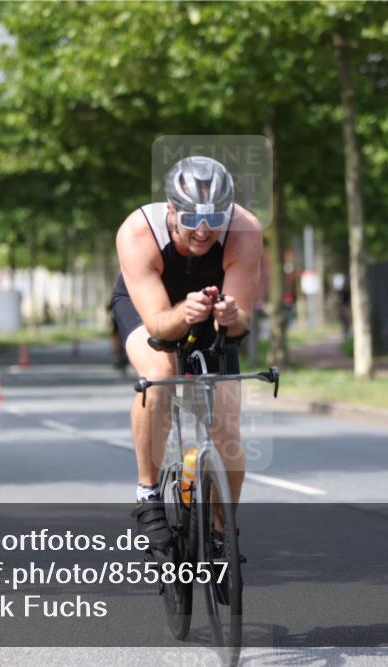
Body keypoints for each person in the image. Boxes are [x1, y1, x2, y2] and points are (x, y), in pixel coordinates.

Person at [111, 156, 263, 549]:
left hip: (211, 309)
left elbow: (241, 322)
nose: (203, 231)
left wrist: (231, 315)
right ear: (172, 210)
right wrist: (185, 313)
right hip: (151, 308)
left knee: (227, 428)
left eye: (214, 220)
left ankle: (219, 530)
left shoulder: (244, 230)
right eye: (193, 220)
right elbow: (160, 325)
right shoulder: (137, 233)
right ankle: (148, 494)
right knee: (160, 376)